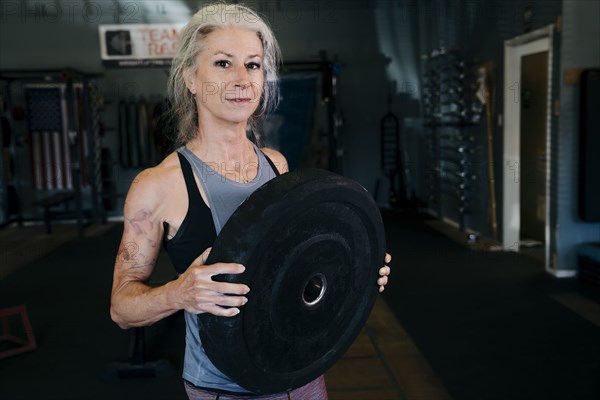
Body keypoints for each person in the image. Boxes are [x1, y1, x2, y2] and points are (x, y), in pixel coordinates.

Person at [110, 3, 391, 400]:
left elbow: (296, 271)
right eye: (223, 64)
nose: (242, 79)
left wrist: (356, 270)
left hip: (301, 371)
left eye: (254, 65)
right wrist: (178, 293)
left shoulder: (276, 165)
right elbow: (121, 308)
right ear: (191, 77)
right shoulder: (159, 185)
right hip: (223, 387)